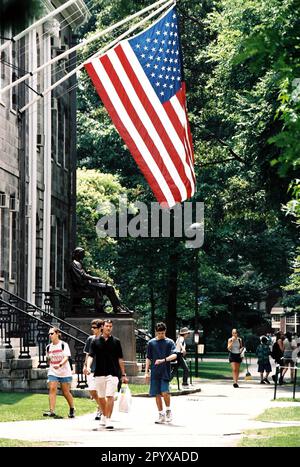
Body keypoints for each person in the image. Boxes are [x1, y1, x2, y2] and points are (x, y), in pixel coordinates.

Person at [86, 319, 128, 430]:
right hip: (99, 373)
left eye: (110, 326)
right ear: (102, 327)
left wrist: (123, 374)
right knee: (101, 397)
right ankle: (104, 415)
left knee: (109, 396)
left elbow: (120, 358)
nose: (109, 328)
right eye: (107, 326)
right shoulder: (95, 341)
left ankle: (108, 419)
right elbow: (90, 356)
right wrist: (88, 366)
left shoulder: (116, 341)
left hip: (113, 373)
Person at [69, 247, 132, 314]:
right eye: (82, 254)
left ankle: (116, 308)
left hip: (87, 285)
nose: (84, 256)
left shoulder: (78, 263)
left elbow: (84, 275)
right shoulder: (74, 263)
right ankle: (115, 308)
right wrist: (96, 278)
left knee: (108, 288)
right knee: (109, 287)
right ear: (78, 254)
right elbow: (83, 276)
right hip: (83, 287)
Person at [145, 322, 177, 424]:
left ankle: (168, 410)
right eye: (159, 333)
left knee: (165, 392)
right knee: (157, 394)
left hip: (165, 371)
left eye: (162, 333)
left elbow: (175, 355)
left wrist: (163, 360)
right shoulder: (151, 343)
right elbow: (148, 358)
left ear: (165, 331)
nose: (161, 335)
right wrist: (146, 372)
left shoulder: (170, 342)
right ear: (156, 332)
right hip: (155, 372)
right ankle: (161, 414)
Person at [43, 327, 75, 418]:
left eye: (52, 333)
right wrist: (48, 360)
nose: (50, 335)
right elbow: (49, 361)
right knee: (52, 388)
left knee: (65, 392)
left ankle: (72, 408)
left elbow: (66, 358)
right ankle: (52, 411)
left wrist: (60, 365)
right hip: (53, 371)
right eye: (49, 334)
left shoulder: (63, 345)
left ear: (57, 334)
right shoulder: (48, 347)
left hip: (64, 371)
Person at [83, 319, 104, 420]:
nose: (92, 329)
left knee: (100, 391)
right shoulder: (90, 339)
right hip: (91, 368)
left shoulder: (105, 340)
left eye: (95, 327)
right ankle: (100, 405)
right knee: (92, 390)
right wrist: (85, 365)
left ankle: (100, 409)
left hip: (101, 369)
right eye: (92, 327)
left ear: (101, 328)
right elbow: (88, 354)